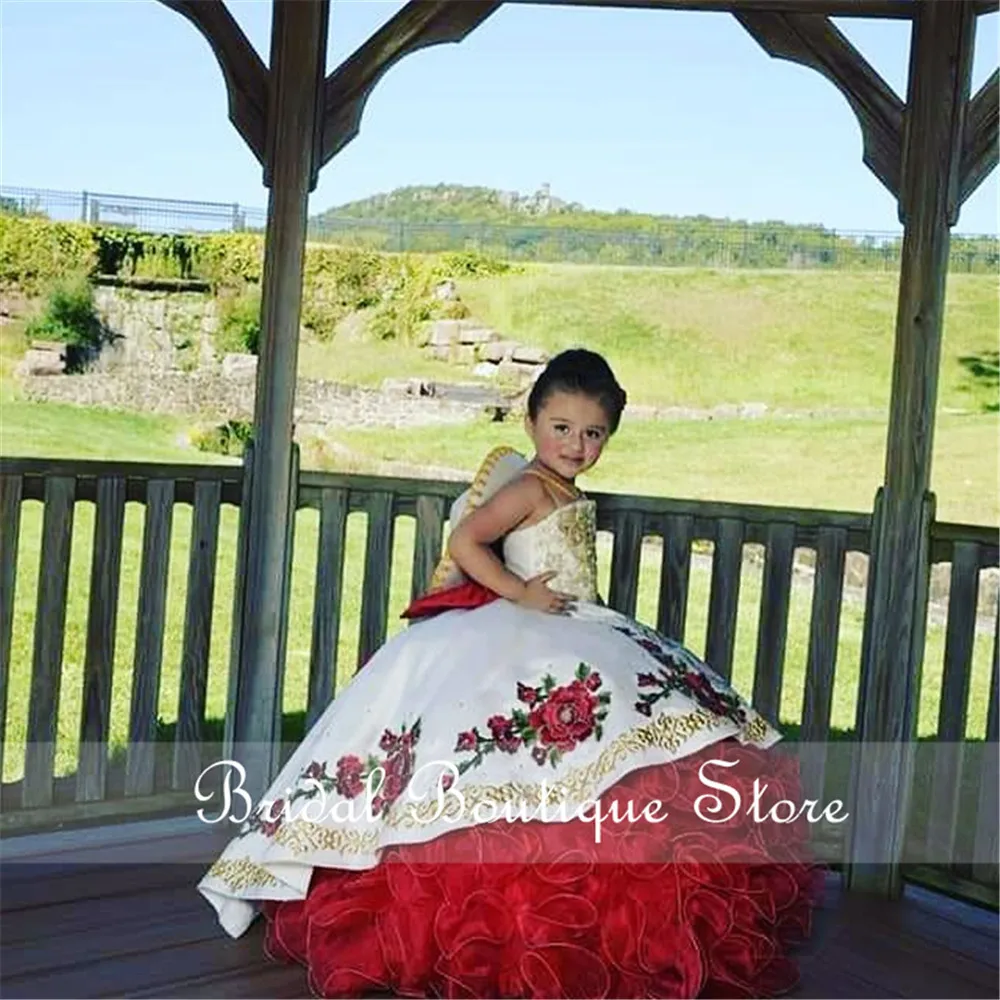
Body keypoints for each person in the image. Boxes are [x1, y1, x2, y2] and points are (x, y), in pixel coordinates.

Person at [198, 348, 821, 998]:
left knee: (655, 730)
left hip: (578, 622)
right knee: (516, 752)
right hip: (532, 618)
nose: (576, 445)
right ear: (531, 422)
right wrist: (518, 592)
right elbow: (467, 540)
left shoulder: (562, 487)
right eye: (562, 428)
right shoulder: (527, 486)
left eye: (593, 433)